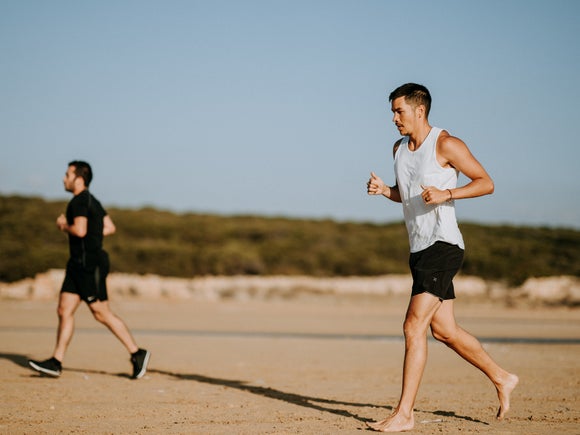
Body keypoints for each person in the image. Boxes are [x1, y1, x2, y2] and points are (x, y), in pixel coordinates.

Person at [366, 83, 518, 432]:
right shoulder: (399, 149)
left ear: (420, 111)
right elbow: (406, 198)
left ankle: (404, 414)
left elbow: (486, 182)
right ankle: (502, 377)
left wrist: (447, 192)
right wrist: (384, 191)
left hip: (443, 245)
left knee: (412, 326)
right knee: (444, 330)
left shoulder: (446, 144)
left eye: (399, 111)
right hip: (419, 248)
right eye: (392, 111)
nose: (394, 118)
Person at [28, 161, 150, 379]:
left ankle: (137, 352)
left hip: (89, 265)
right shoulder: (93, 201)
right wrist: (93, 232)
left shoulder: (79, 202)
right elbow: (110, 227)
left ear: (79, 179)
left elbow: (80, 230)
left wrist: (63, 226)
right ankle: (56, 361)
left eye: (67, 175)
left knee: (101, 313)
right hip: (77, 264)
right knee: (64, 310)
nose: (64, 179)